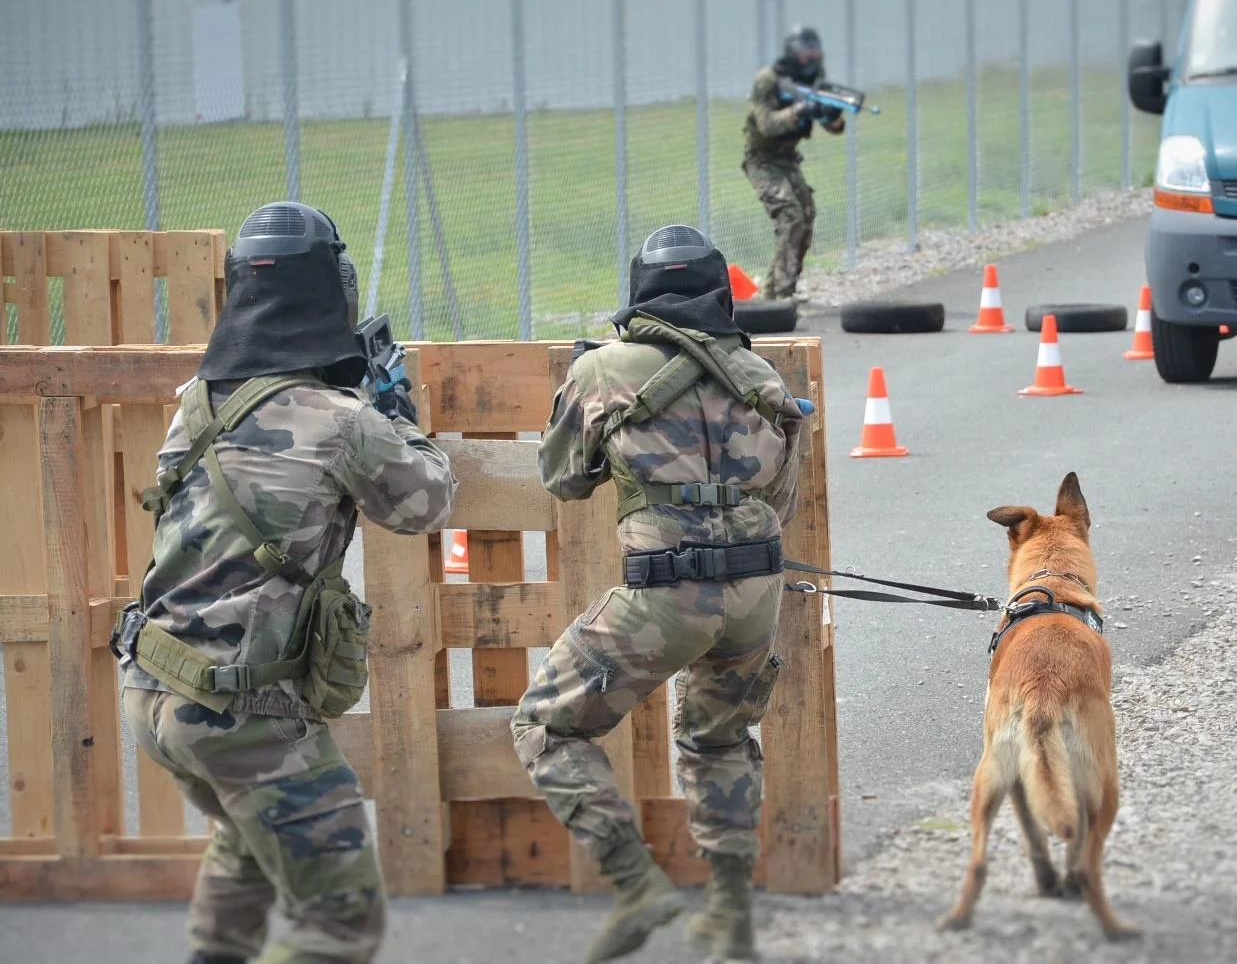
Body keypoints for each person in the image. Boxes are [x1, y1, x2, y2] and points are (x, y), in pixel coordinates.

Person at [111, 201, 458, 964]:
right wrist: (395, 410)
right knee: (340, 925)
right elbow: (426, 500)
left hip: (154, 690)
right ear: (331, 291)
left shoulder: (196, 402)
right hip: (245, 715)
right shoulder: (340, 419)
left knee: (244, 839)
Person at [511, 223, 809, 963]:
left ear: (641, 288)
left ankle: (636, 883)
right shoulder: (759, 374)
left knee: (547, 724)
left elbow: (563, 479)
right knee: (718, 738)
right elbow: (783, 500)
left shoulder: (602, 370)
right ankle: (731, 916)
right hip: (753, 592)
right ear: (717, 289)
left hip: (665, 594)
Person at [743, 24, 846, 300]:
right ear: (791, 53)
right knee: (790, 215)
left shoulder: (815, 80)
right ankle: (779, 295)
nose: (810, 59)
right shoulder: (768, 80)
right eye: (804, 54)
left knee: (807, 215)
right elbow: (766, 124)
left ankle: (779, 290)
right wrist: (799, 109)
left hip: (788, 159)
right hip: (762, 160)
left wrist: (829, 113)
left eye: (815, 53)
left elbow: (836, 128)